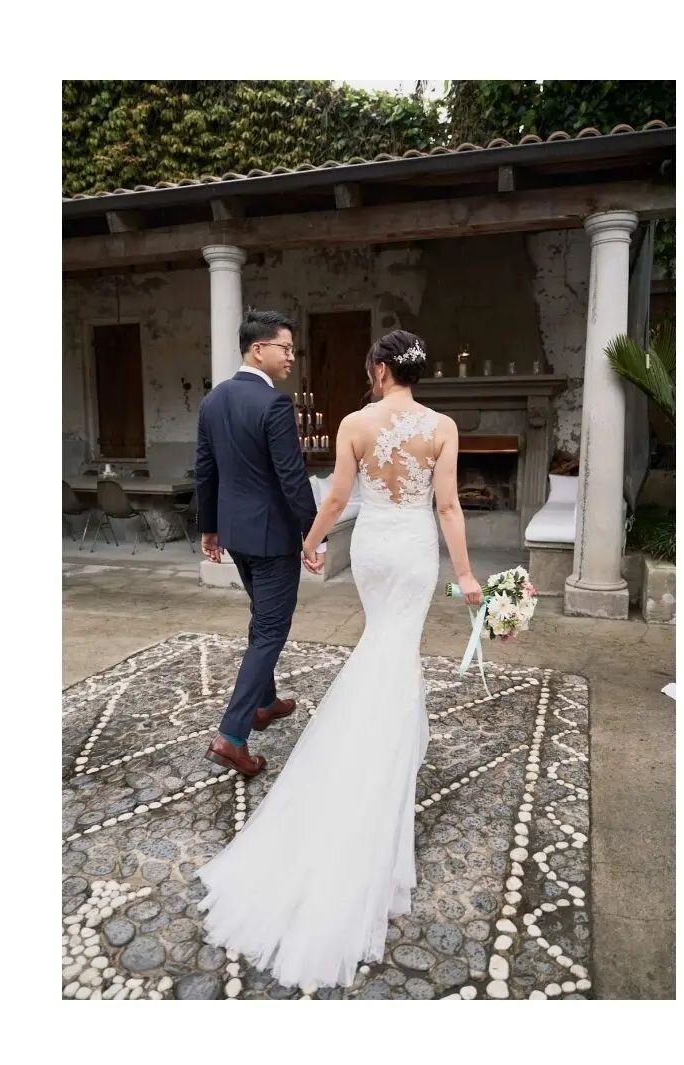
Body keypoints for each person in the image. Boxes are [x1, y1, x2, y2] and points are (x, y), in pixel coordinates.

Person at [196, 329, 482, 990]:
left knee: (378, 644)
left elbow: (334, 500)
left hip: (375, 549)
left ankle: (369, 747)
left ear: (379, 369)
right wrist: (465, 574)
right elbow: (446, 504)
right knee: (396, 651)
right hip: (412, 550)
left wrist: (314, 543)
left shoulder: (355, 422)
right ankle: (384, 755)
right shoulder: (442, 425)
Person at [194, 310, 327, 778]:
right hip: (272, 540)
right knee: (271, 629)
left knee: (262, 620)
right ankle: (231, 736)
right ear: (258, 350)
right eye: (284, 348)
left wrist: (209, 528)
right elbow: (293, 478)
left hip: (236, 534)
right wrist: (313, 536)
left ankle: (265, 702)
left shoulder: (213, 401)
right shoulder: (274, 405)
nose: (291, 356)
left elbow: (205, 471)